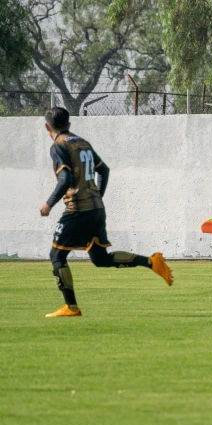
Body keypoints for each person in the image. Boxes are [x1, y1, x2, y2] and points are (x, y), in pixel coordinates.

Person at [40, 107, 173, 318]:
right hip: (97, 209)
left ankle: (71, 307)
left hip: (77, 209)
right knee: (100, 258)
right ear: (69, 124)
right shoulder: (82, 143)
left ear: (47, 127)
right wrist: (97, 196)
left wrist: (49, 203)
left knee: (56, 255)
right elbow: (104, 170)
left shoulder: (58, 146)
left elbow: (65, 179)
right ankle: (151, 262)